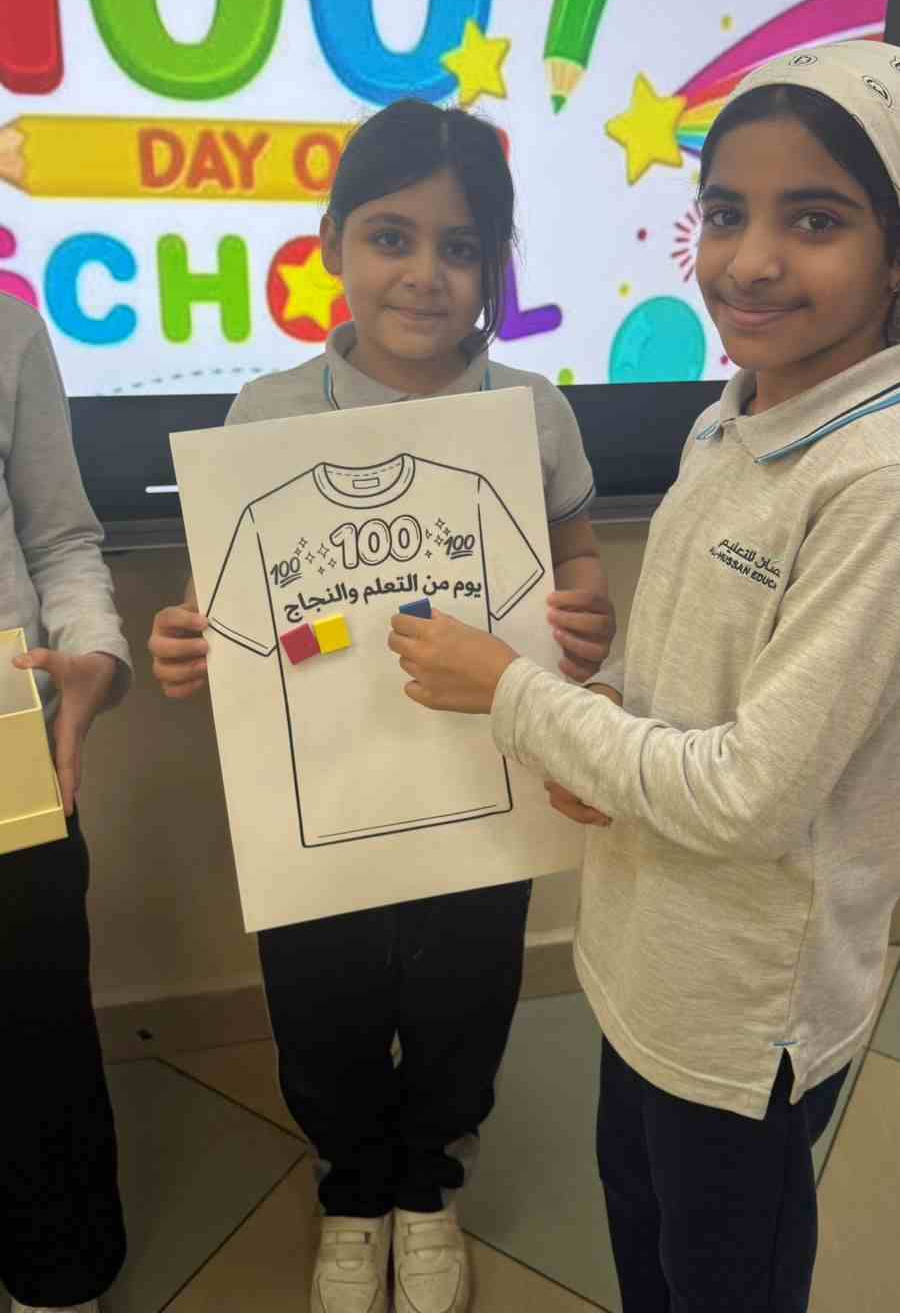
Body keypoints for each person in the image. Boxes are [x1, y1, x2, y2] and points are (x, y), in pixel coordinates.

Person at [387, 40, 900, 1312]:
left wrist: (516, 694)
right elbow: (692, 664)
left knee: (721, 1270)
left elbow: (748, 794)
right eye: (725, 213)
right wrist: (602, 704)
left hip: (739, 1020)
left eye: (816, 219)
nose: (752, 260)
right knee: (644, 1230)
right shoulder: (733, 411)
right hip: (643, 965)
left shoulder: (876, 482)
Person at [147, 99, 613, 1313]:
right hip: (323, 795)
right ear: (333, 242)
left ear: (494, 265)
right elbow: (221, 595)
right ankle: (352, 1186)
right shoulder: (266, 413)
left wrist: (586, 613)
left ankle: (428, 1183)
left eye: (460, 246)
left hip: (482, 785)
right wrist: (187, 635)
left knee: (467, 993)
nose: (424, 273)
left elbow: (573, 555)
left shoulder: (534, 411)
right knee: (322, 1002)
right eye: (390, 236)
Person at [0, 296, 132, 1313]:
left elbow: (59, 542)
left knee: (36, 1026)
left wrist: (93, 654)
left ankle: (56, 1274)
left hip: (11, 750)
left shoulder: (8, 329)